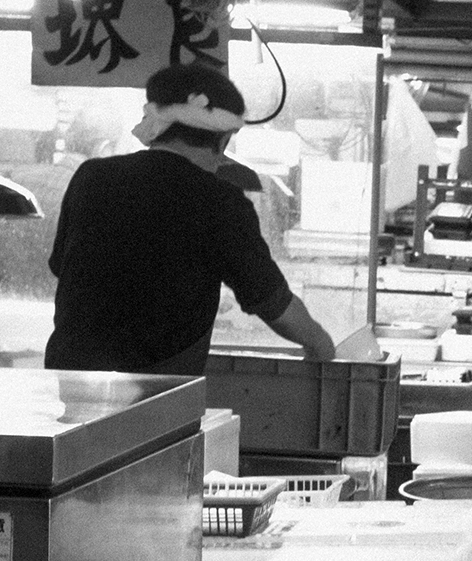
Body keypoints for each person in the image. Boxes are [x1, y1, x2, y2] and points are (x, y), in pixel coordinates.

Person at [46, 64, 335, 375]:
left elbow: (60, 266)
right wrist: (319, 344)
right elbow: (271, 301)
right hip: (157, 392)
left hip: (71, 374)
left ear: (159, 125)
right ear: (223, 140)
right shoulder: (221, 202)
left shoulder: (92, 176)